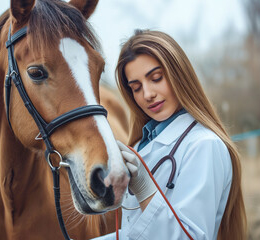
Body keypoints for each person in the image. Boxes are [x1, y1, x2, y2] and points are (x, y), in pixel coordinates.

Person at [93, 29, 247, 240]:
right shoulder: (139, 146)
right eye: (136, 88)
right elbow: (135, 233)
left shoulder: (204, 145)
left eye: (156, 78)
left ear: (179, 75)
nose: (147, 94)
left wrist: (146, 191)